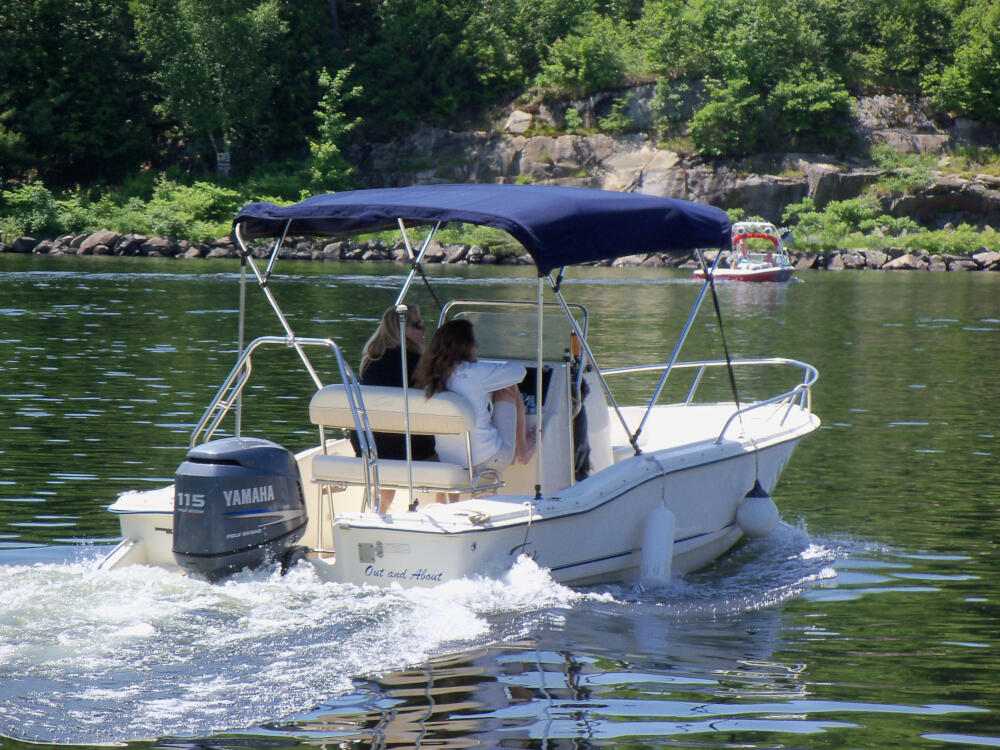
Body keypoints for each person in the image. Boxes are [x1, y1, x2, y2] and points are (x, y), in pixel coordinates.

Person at [414, 319, 536, 477]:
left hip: (449, 461)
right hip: (489, 462)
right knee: (508, 387)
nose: (477, 345)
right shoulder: (475, 372)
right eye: (473, 341)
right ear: (464, 346)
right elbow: (519, 372)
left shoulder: (429, 378)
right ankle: (523, 449)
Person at [355, 305, 435, 513]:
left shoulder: (370, 362)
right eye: (418, 325)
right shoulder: (418, 363)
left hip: (369, 448)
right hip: (409, 451)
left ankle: (379, 510)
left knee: (389, 439)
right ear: (402, 329)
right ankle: (448, 508)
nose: (425, 330)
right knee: (453, 454)